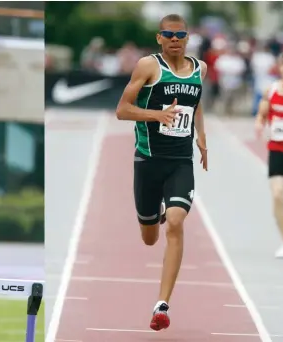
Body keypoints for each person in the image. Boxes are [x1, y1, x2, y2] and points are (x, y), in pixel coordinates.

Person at [115, 14, 208, 331]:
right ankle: (155, 212)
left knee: (178, 223)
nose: (175, 39)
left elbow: (197, 106)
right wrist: (157, 115)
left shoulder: (200, 69)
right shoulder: (148, 66)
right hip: (147, 161)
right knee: (149, 237)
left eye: (180, 34)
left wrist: (202, 139)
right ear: (159, 38)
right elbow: (122, 110)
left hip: (181, 162)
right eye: (169, 34)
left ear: (187, 37)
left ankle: (162, 305)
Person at [255, 50, 283, 259]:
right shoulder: (271, 91)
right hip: (278, 150)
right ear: (280, 66)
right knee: (278, 194)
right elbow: (261, 115)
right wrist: (259, 126)